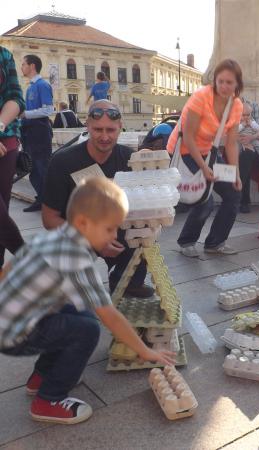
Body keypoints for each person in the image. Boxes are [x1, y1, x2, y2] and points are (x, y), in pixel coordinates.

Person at [0, 177, 176, 425]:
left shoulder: (54, 237)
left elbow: (9, 268)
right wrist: (144, 350)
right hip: (15, 334)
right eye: (109, 229)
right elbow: (109, 315)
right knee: (88, 329)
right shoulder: (76, 257)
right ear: (83, 223)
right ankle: (49, 399)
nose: (115, 235)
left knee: (77, 311)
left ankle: (43, 375)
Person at [42, 100, 154, 298]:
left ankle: (128, 281)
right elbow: (49, 219)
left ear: (120, 127)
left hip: (114, 228)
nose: (104, 137)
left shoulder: (129, 158)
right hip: (75, 230)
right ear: (87, 126)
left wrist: (151, 165)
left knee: (144, 232)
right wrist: (93, 240)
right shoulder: (62, 161)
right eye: (98, 130)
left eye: (110, 130)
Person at [166, 59, 243, 257]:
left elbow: (232, 143)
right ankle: (187, 242)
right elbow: (188, 137)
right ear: (214, 81)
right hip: (184, 151)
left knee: (233, 194)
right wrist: (203, 168)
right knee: (204, 199)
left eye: (230, 82)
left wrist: (236, 174)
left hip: (208, 153)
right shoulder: (201, 97)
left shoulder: (236, 105)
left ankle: (215, 243)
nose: (225, 86)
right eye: (221, 81)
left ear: (237, 84)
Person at [0, 46, 25, 276]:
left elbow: (15, 98)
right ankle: (29, 259)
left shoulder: (3, 54)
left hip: (5, 137)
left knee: (3, 209)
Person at [20, 54, 54, 212]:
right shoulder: (31, 86)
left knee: (41, 166)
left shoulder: (42, 85)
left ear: (32, 66)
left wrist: (26, 114)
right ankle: (42, 198)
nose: (22, 67)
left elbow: (48, 109)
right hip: (30, 131)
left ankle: (46, 201)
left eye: (23, 64)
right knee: (32, 167)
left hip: (39, 131)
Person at [238, 102, 259, 213]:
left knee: (253, 151)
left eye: (248, 115)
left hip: (252, 142)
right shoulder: (227, 106)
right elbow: (230, 131)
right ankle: (241, 199)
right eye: (243, 115)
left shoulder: (252, 106)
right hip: (236, 143)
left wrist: (250, 138)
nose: (246, 117)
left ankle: (241, 199)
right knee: (243, 156)